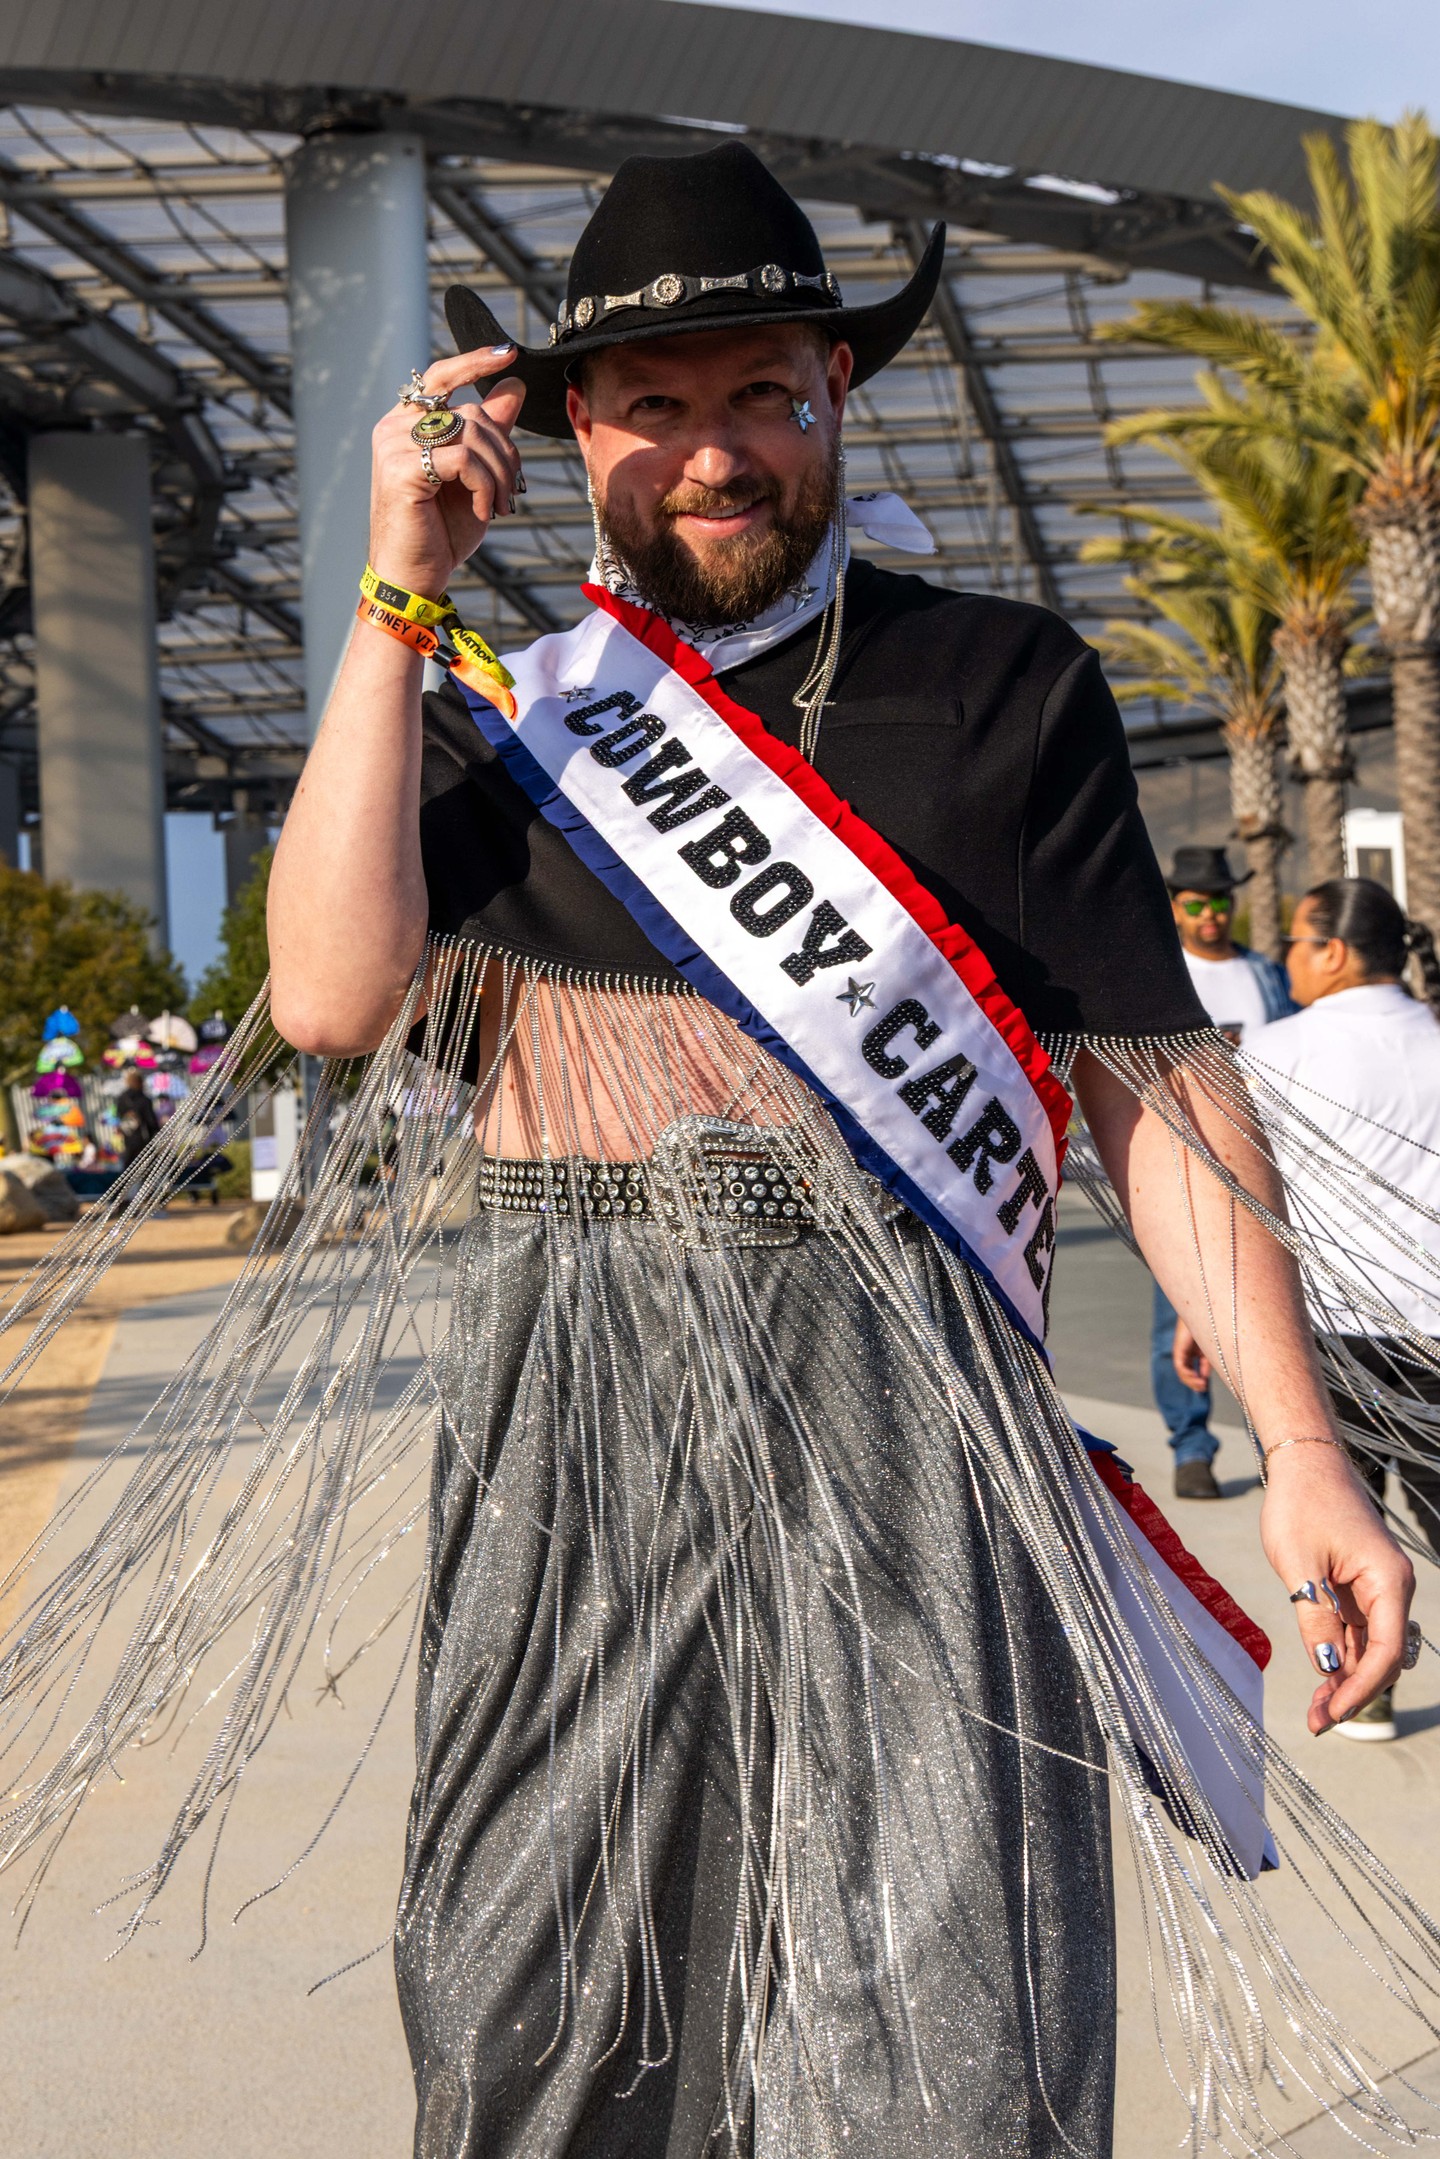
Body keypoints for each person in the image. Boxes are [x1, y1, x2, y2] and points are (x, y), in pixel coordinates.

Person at [0, 143, 1426, 2159]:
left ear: (837, 394)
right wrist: (397, 584)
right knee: (545, 2030)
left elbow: (1156, 1098)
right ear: (579, 429)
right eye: (659, 407)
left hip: (920, 1438)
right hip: (569, 1421)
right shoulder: (506, 717)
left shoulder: (1003, 688)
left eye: (765, 392)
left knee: (956, 2047)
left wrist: (1299, 1447)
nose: (718, 453)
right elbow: (326, 1000)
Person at [1246, 878, 1440, 1740]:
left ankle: (1368, 1686)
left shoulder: (1277, 1049)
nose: (1284, 957)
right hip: (1433, 1320)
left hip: (1327, 1329)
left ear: (1332, 950)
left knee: (1340, 1524)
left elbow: (1244, 1203)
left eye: (1294, 939)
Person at [1154, 845, 1296, 1499]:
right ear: (1177, 906)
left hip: (1269, 1161)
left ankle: (1283, 1447)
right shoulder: (1158, 974)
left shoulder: (1266, 974)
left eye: (1221, 902)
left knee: (1275, 1307)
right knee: (1179, 1309)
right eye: (1198, 903)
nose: (1212, 914)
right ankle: (1192, 1447)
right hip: (1186, 1160)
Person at [113, 1063, 159, 1170]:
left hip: (127, 1137)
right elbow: (151, 1122)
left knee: (128, 1168)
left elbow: (119, 1115)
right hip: (143, 1139)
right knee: (146, 1168)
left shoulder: (121, 1098)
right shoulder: (144, 1099)